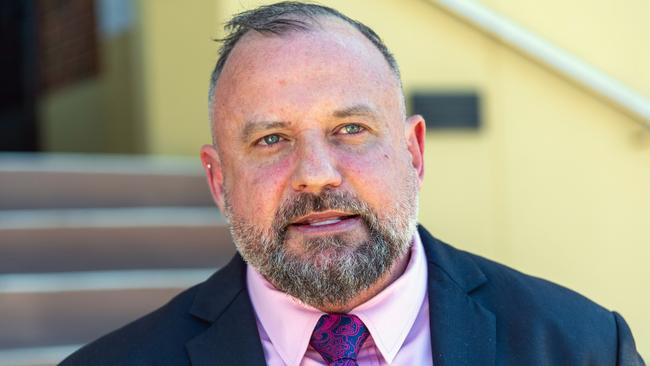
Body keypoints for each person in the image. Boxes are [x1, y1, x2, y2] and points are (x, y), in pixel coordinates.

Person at [61, 2, 645, 365]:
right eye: (271, 140)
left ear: (414, 152)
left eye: (351, 128)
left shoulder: (584, 348)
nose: (316, 173)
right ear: (219, 180)